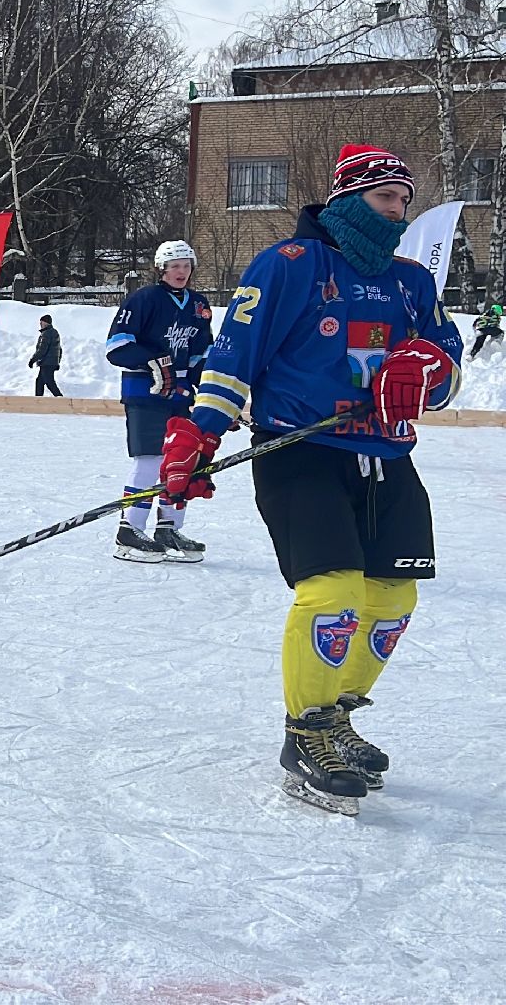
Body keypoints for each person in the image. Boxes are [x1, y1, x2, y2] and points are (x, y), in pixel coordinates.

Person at [162, 143, 464, 816]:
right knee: (334, 593)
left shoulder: (412, 281)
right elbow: (236, 353)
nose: (398, 211)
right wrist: (199, 432)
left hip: (388, 456)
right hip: (301, 450)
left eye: (404, 201)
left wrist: (429, 370)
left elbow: (449, 366)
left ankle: (337, 717)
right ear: (350, 199)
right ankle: (305, 735)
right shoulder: (291, 263)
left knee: (393, 600)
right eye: (385, 198)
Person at [105, 240, 213, 563]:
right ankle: (130, 530)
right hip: (145, 392)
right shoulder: (144, 299)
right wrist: (152, 359)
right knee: (150, 460)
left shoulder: (198, 304)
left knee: (182, 461)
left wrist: (212, 392)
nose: (181, 271)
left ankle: (168, 528)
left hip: (179, 395)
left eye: (186, 265)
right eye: (175, 266)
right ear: (161, 269)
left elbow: (201, 354)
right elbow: (116, 346)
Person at [29, 313, 63, 397]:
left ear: (46, 323)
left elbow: (42, 350)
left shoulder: (46, 334)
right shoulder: (54, 332)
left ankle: (61, 400)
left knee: (49, 382)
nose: (40, 324)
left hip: (47, 363)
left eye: (41, 322)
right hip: (50, 362)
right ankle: (38, 400)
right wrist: (57, 361)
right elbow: (59, 349)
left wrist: (33, 360)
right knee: (39, 382)